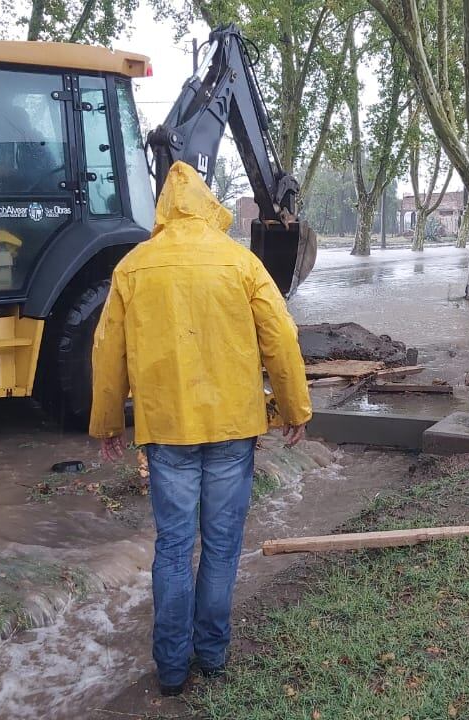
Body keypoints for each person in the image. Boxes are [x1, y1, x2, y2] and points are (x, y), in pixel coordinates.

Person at [88, 161, 312, 697]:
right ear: (209, 206)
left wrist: (105, 422)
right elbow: (280, 337)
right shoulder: (242, 263)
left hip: (166, 429)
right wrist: (293, 409)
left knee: (172, 547)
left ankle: (170, 669)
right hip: (233, 426)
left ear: (164, 209)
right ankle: (211, 655)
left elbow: (106, 349)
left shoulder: (133, 267)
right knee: (221, 545)